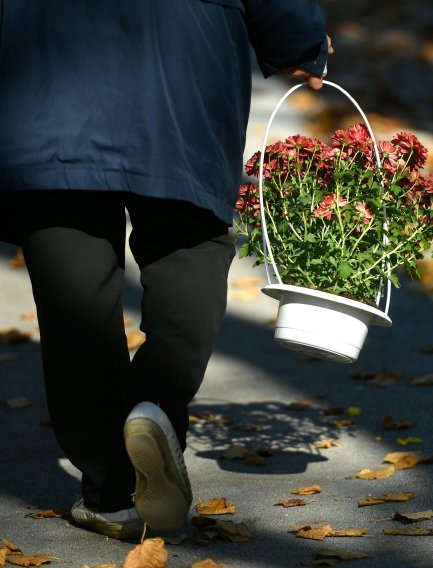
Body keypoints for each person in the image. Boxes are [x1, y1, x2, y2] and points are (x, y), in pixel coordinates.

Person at [0, 1, 332, 539]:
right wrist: (297, 39)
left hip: (47, 65)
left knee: (73, 282)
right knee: (190, 244)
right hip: (183, 66)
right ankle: (156, 400)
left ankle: (111, 492)